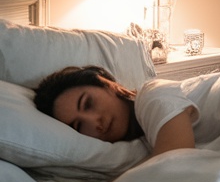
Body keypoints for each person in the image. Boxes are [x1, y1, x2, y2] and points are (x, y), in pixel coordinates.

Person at [34, 65, 197, 156]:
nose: (95, 122)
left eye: (88, 103)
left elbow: (176, 161)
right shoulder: (142, 140)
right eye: (79, 126)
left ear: (107, 84)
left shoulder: (152, 95)